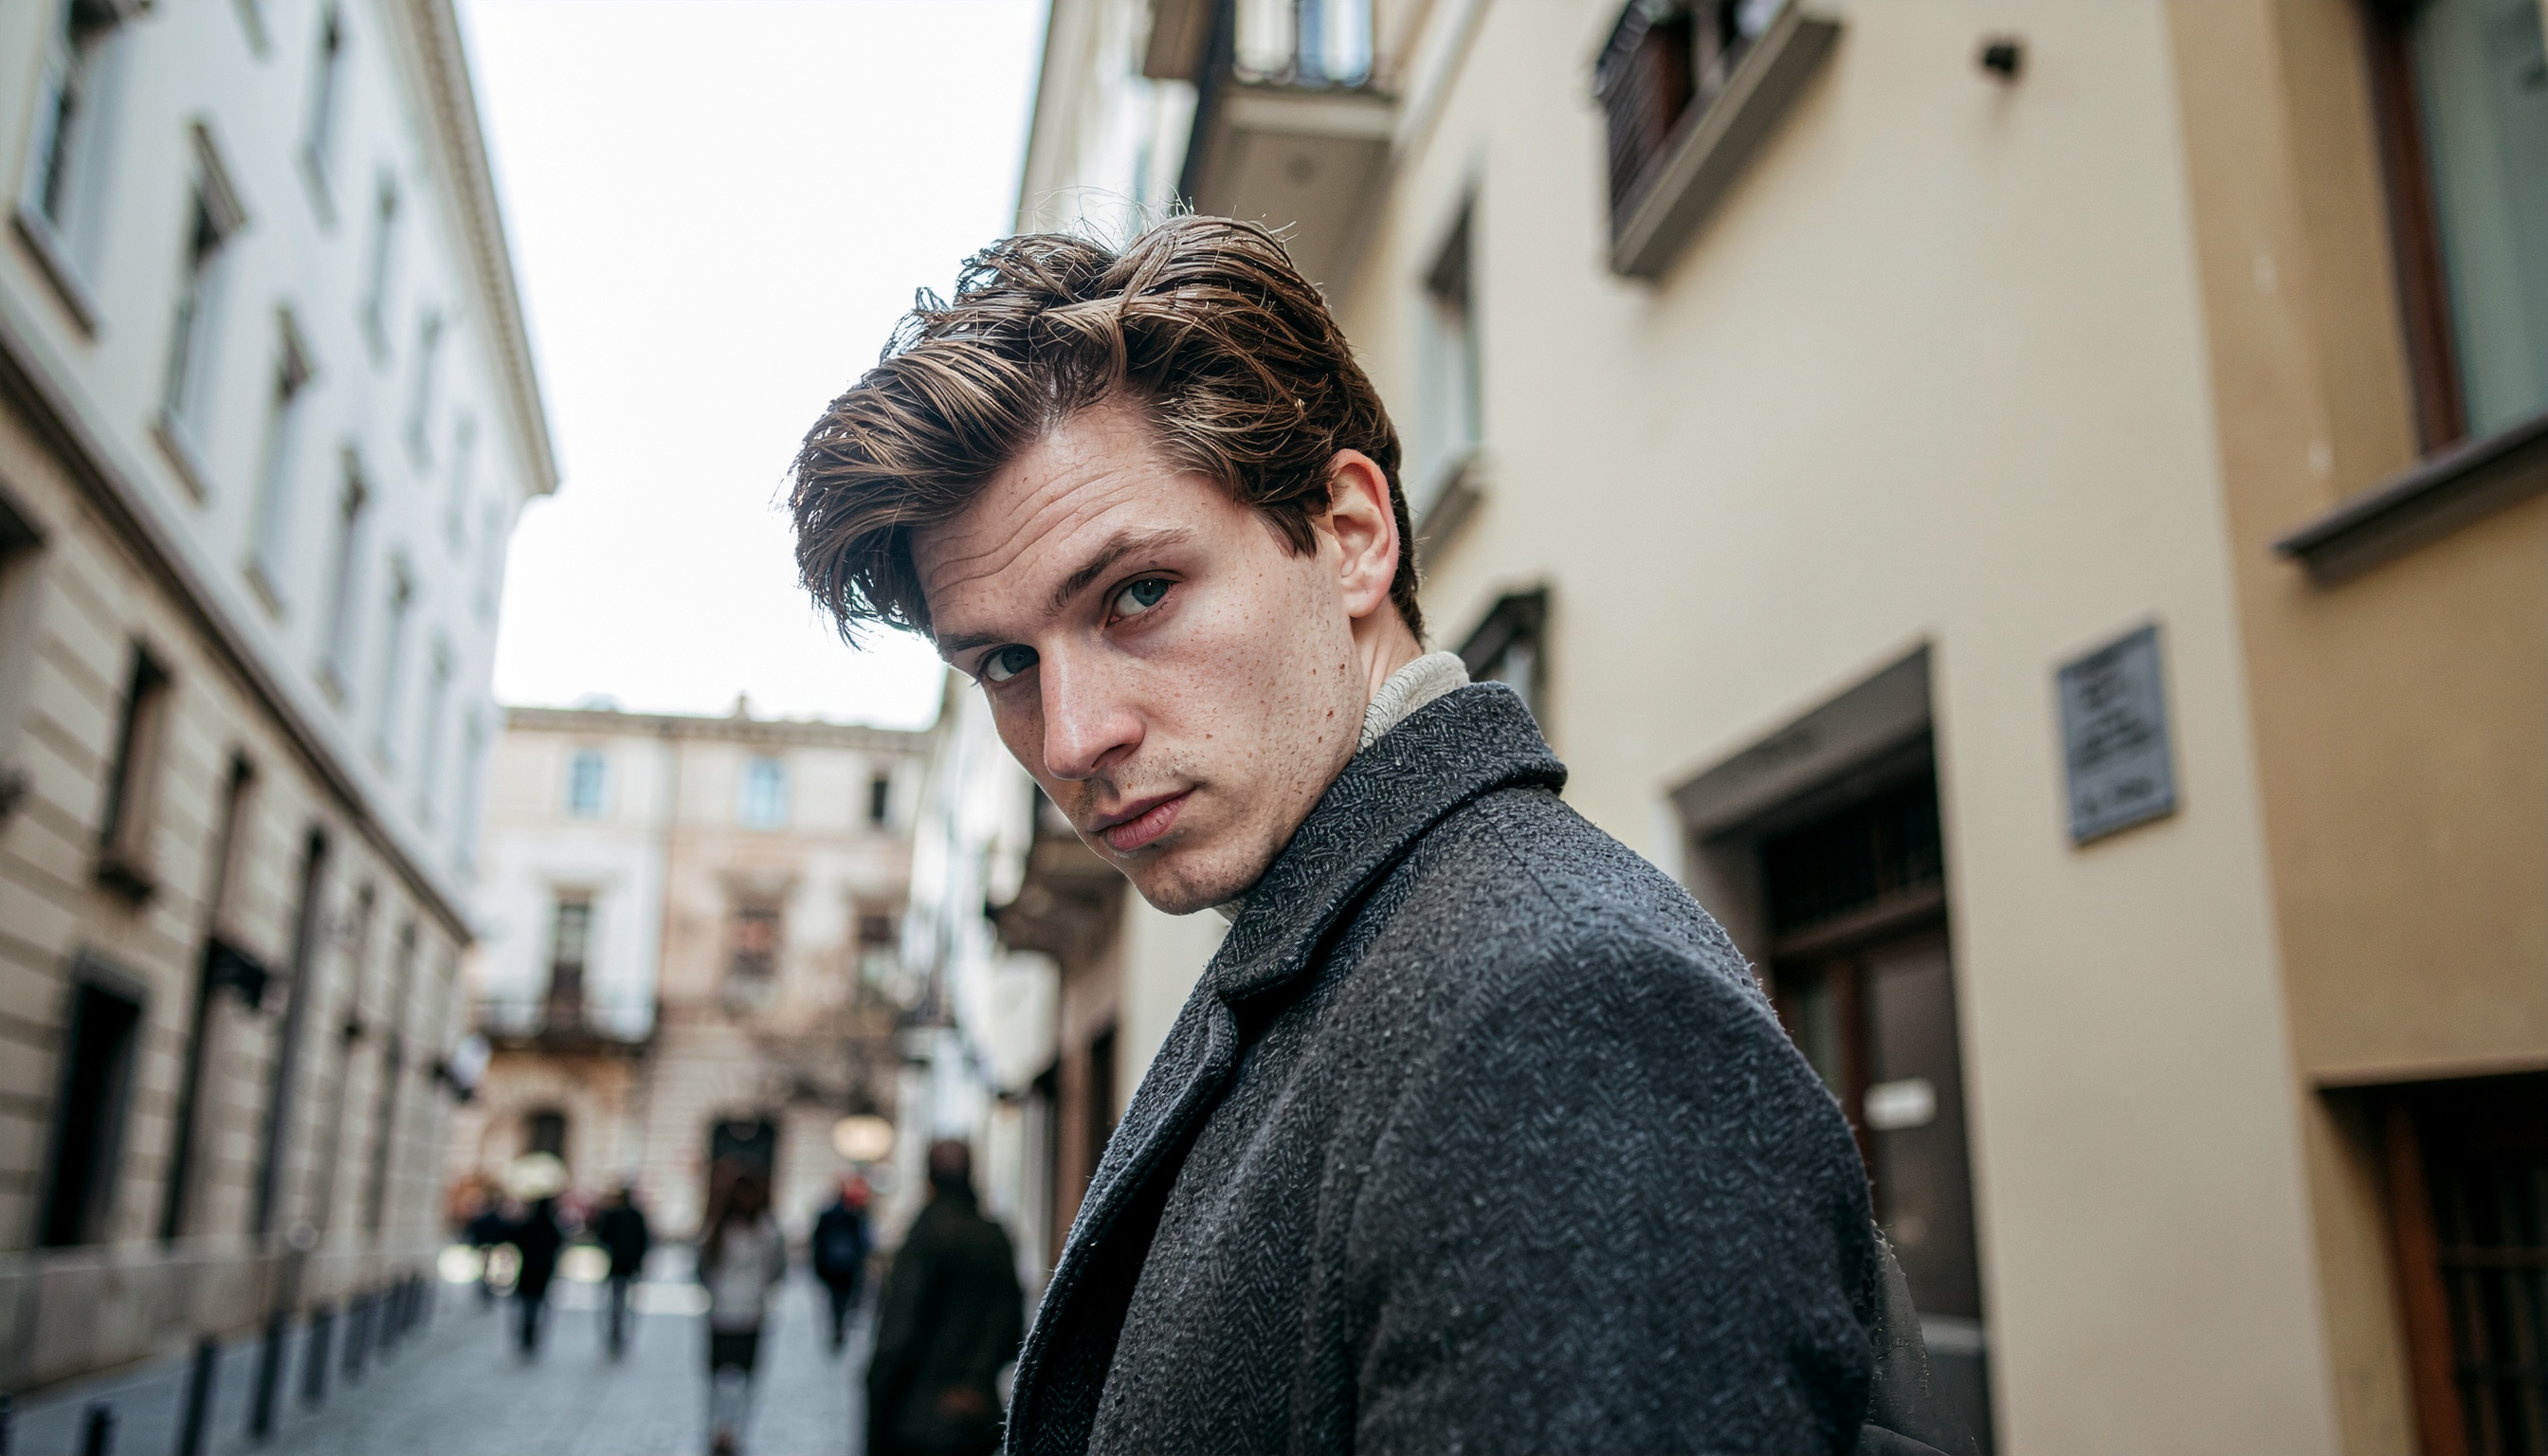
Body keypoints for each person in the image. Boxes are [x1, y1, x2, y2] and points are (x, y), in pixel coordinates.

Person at [786, 217, 1969, 1455]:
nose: (1073, 738)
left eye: (1137, 594)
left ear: (1351, 535)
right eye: (1008, 662)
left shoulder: (1558, 1010)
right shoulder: (1353, 948)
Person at [864, 1143, 1023, 1456]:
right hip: (977, 1411)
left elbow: (898, 1335)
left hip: (922, 1416)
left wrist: (877, 1417)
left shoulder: (927, 1235)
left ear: (930, 1179)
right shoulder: (994, 1236)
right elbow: (1012, 1329)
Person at [697, 1163, 788, 1456]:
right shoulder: (764, 1230)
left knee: (722, 1379)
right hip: (743, 1312)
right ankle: (729, 1431)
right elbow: (777, 1270)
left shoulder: (722, 1230)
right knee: (740, 1379)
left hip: (729, 1311)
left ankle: (723, 1430)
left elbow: (703, 1269)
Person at [810, 1175, 872, 1353]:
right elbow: (863, 1241)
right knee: (843, 1298)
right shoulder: (855, 1215)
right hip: (847, 1266)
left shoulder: (830, 1214)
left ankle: (838, 1324)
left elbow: (818, 1240)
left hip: (833, 1266)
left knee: (836, 1299)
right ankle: (840, 1324)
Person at [593, 1183, 653, 1359]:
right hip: (628, 1265)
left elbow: (602, 1236)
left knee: (617, 1300)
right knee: (624, 1301)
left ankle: (616, 1332)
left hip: (618, 1264)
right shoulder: (635, 1216)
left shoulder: (614, 1215)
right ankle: (619, 1332)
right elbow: (644, 1241)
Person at [503, 1196, 564, 1361]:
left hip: (528, 1271)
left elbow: (513, 1238)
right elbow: (559, 1245)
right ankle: (532, 1334)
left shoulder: (528, 1225)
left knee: (526, 1305)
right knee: (538, 1305)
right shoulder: (551, 1227)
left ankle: (527, 1333)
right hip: (543, 1273)